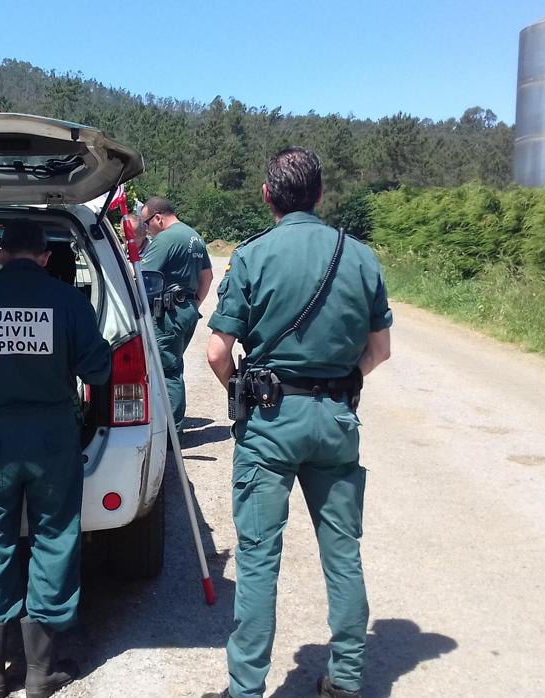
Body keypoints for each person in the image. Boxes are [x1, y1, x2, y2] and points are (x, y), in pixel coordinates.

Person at [204, 148, 392, 698]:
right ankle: (347, 678)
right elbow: (379, 349)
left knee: (260, 557)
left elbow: (218, 352)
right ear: (321, 195)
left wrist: (242, 391)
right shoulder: (359, 256)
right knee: (342, 550)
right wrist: (342, 382)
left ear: (267, 196)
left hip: (268, 422)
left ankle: (246, 689)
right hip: (335, 420)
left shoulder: (252, 256)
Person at [0, 220, 111, 698]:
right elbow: (98, 368)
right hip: (53, 437)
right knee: (54, 538)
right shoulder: (69, 301)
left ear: (1, 254)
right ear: (45, 257)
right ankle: (41, 671)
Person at [139, 196, 212, 432]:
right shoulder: (195, 237)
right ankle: (172, 425)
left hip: (168, 314)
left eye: (146, 223)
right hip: (186, 310)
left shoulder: (165, 239)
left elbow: (141, 277)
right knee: (174, 366)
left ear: (158, 218)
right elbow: (207, 277)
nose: (145, 229)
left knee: (167, 371)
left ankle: (171, 431)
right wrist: (193, 304)